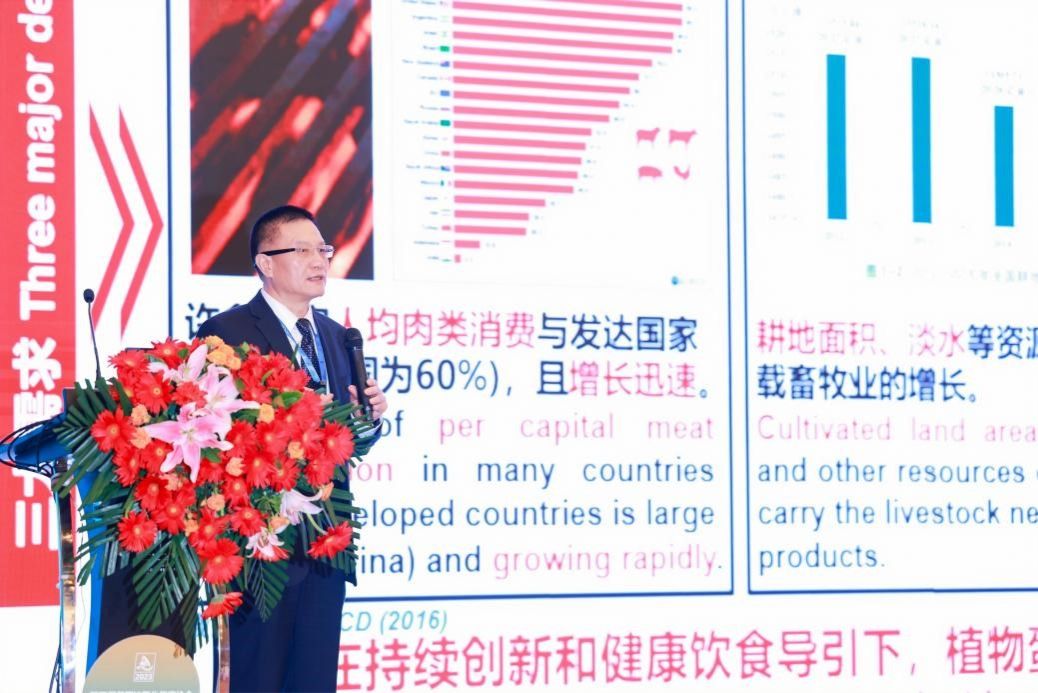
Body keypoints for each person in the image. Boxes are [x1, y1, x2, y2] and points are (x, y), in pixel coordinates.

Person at [196, 205, 387, 691]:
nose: (319, 260)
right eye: (302, 250)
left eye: (323, 249)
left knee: (314, 679)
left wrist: (367, 419)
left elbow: (350, 443)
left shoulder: (338, 337)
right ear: (265, 263)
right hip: (260, 542)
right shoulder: (228, 333)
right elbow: (210, 433)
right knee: (258, 677)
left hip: (326, 541)